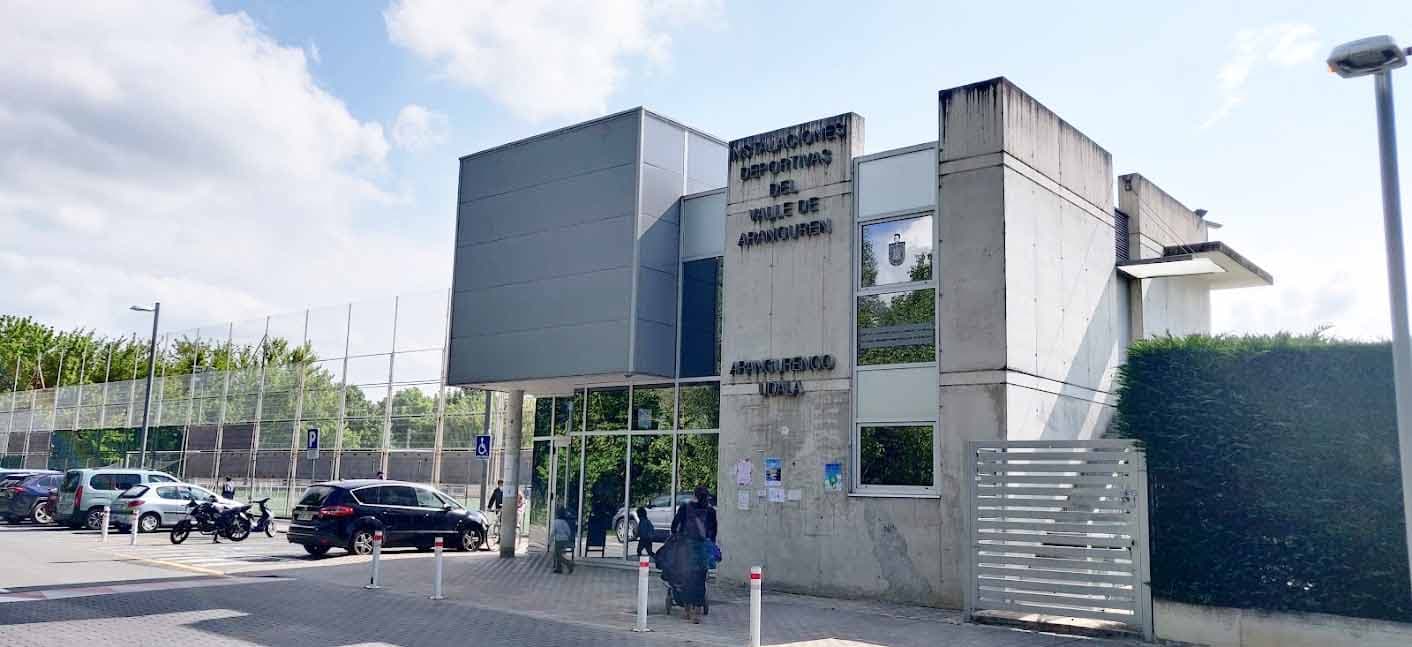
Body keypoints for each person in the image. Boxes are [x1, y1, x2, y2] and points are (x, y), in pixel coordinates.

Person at [669, 485, 718, 623]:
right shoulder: (710, 511)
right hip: (702, 549)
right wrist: (709, 544)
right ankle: (697, 611)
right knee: (700, 579)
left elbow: (675, 525)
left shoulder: (685, 508)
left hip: (687, 548)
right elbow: (713, 531)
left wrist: (676, 536)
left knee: (687, 578)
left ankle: (687, 610)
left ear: (694, 495)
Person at [551, 507, 575, 574]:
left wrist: (550, 540)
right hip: (565, 540)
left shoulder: (555, 522)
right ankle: (559, 568)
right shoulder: (565, 522)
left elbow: (553, 532)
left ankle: (569, 564)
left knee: (557, 555)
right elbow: (568, 532)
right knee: (559, 553)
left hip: (558, 540)